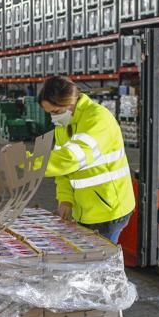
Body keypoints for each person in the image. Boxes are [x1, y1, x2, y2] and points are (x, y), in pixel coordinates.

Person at [39, 76, 135, 243]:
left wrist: (30, 162)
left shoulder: (98, 119)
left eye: (54, 112)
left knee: (101, 266)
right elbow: (63, 172)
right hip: (84, 209)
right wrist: (65, 200)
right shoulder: (63, 126)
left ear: (69, 102)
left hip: (108, 210)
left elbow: (71, 159)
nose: (53, 118)